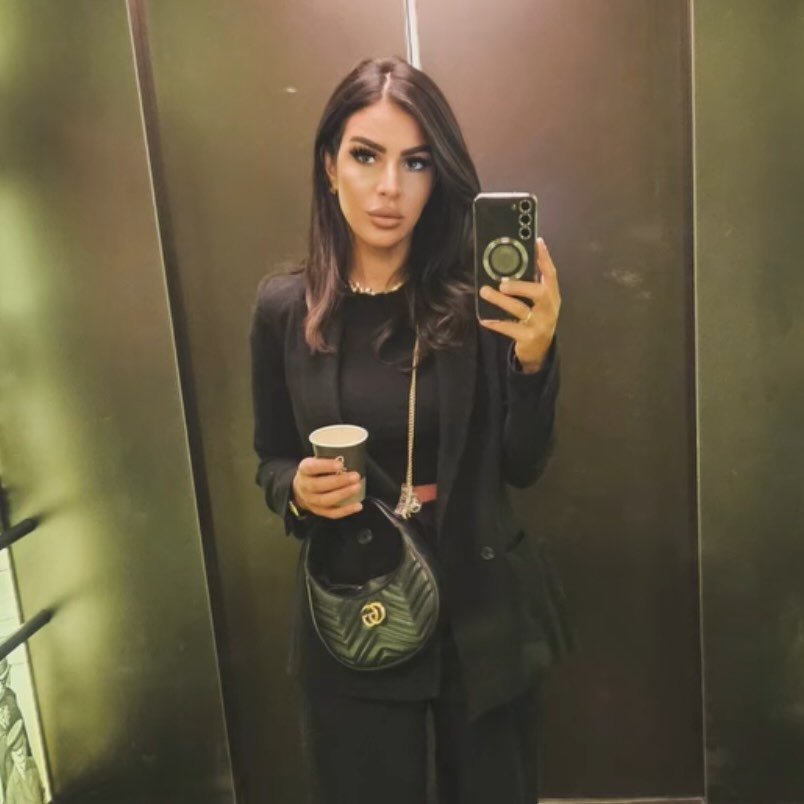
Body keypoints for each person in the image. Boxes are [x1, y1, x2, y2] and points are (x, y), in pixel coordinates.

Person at [251, 56, 565, 804]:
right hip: (355, 608)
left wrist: (534, 358)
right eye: (366, 156)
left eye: (416, 162)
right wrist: (297, 490)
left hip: (480, 610)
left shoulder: (484, 303)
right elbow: (270, 458)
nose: (389, 187)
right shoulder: (284, 310)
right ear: (330, 167)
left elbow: (523, 464)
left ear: (438, 177)